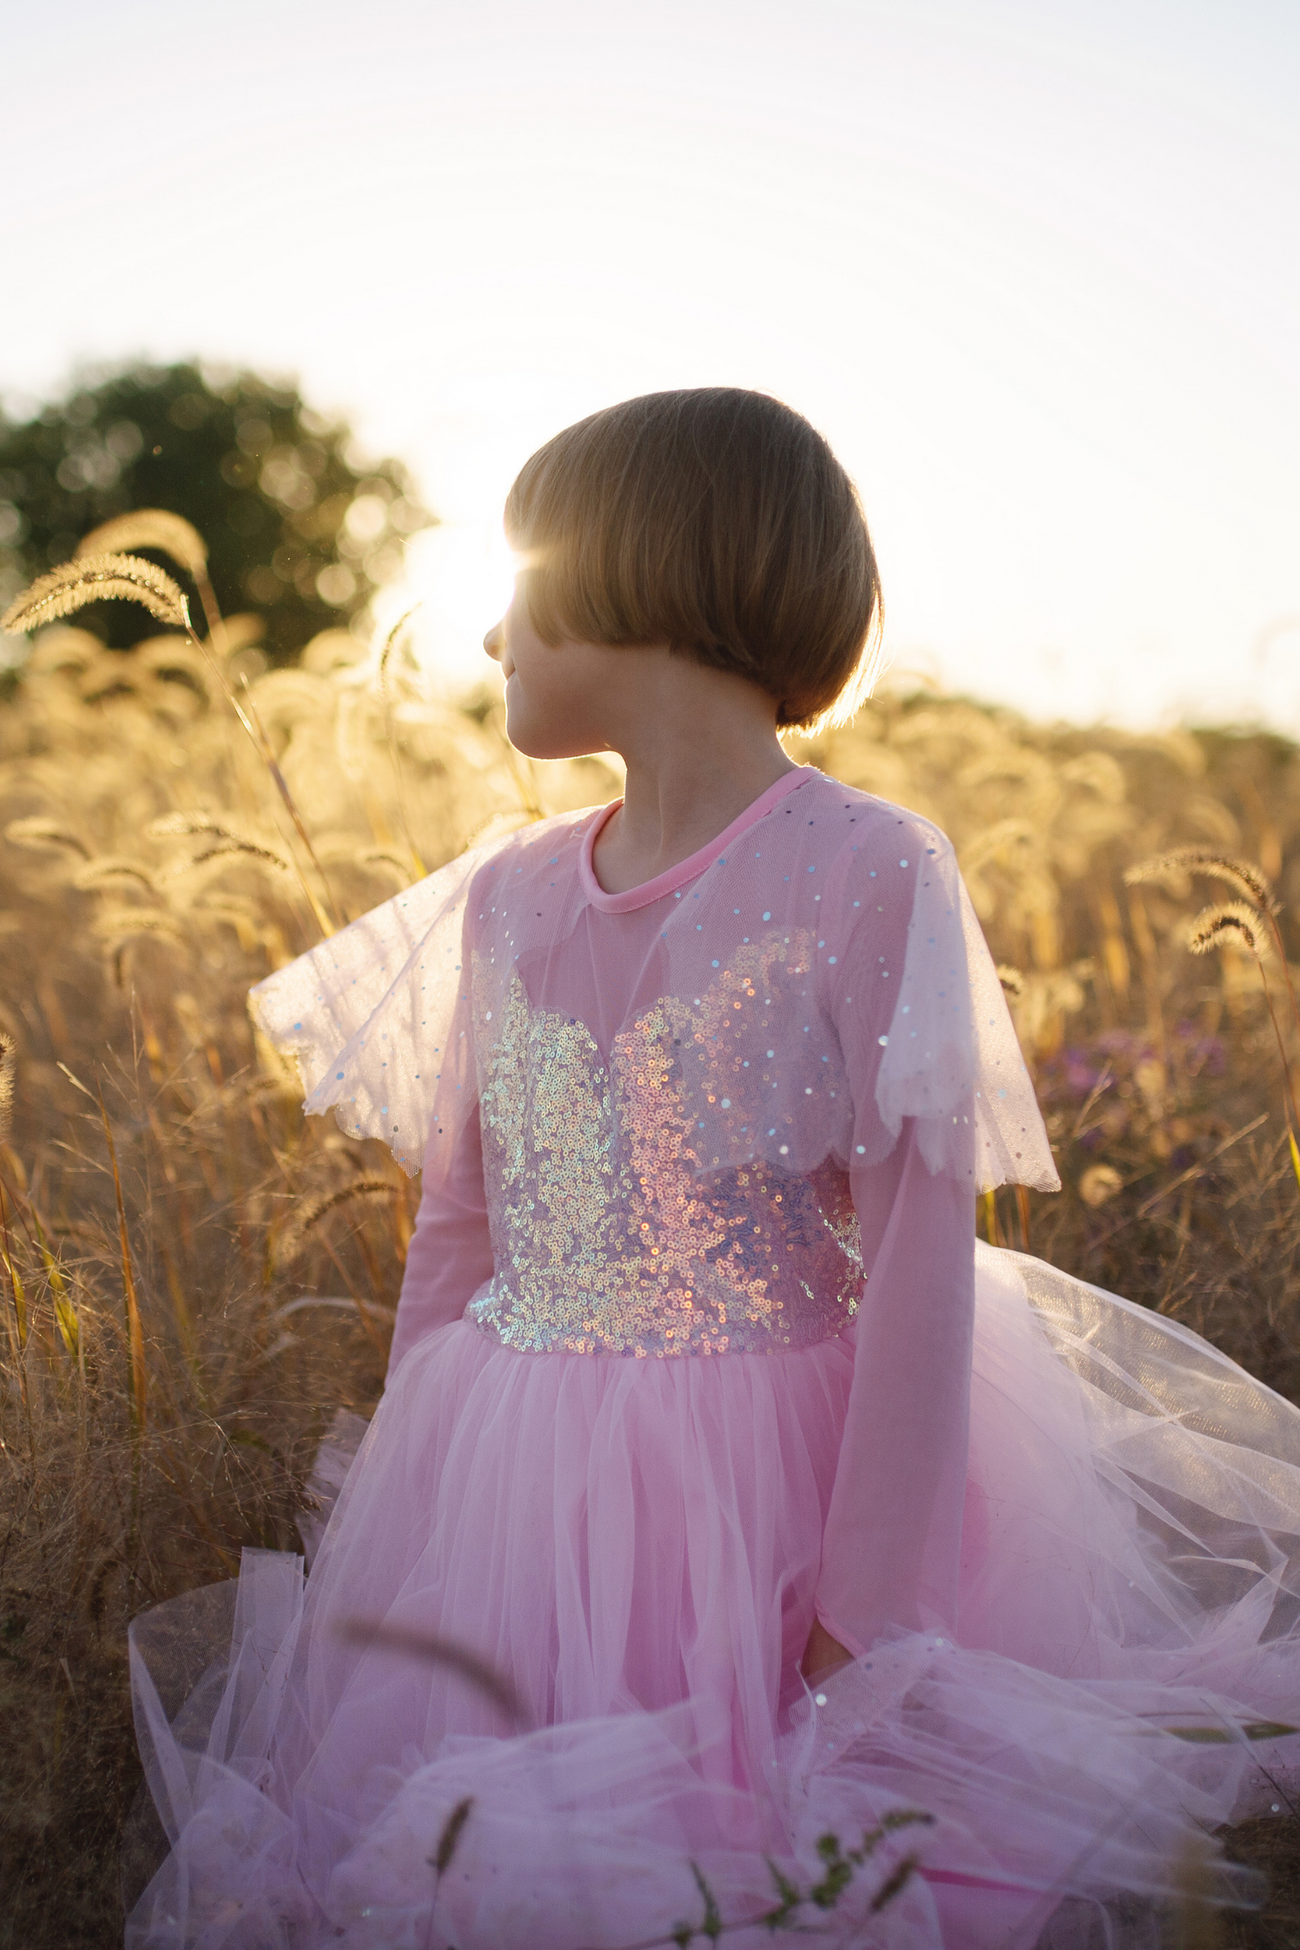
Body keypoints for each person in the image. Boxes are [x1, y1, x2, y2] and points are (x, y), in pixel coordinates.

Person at [128, 390, 1300, 1950]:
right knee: (468, 1851)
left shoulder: (872, 865)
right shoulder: (508, 895)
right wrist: (406, 1507)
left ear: (645, 573)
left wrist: (868, 1620)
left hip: (766, 1475)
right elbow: (462, 1222)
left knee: (759, 1839)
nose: (490, 639)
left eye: (522, 589)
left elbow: (923, 1261)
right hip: (505, 1475)